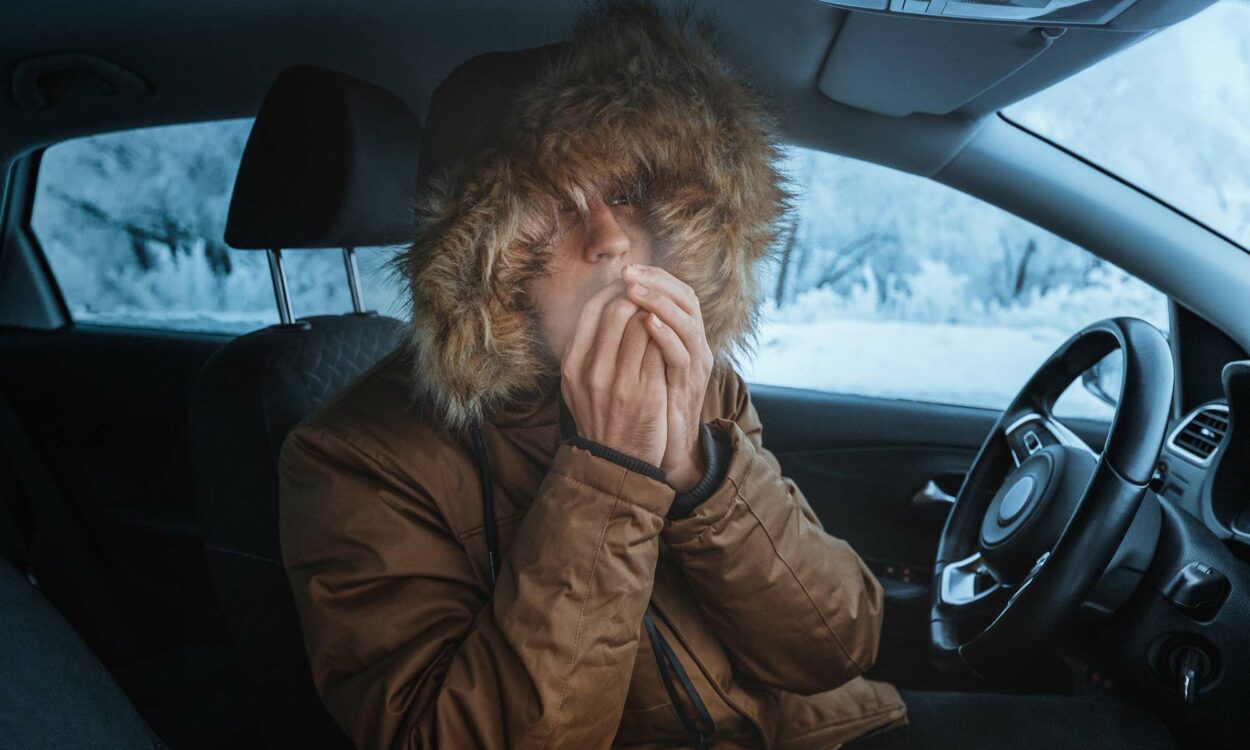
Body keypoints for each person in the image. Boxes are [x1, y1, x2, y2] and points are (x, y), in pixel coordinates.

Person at [276, 2, 1175, 748]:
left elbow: (838, 642)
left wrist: (699, 476)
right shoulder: (353, 460)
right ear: (476, 257)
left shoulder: (696, 379)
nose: (611, 239)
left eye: (627, 193)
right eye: (547, 209)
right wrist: (609, 475)